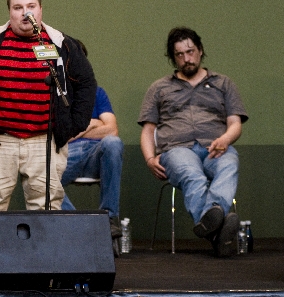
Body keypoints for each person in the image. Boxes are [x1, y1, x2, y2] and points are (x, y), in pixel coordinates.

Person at [0, 0, 97, 229]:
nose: (25, 13)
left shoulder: (61, 44)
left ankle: (45, 256)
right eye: (18, 8)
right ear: (9, 12)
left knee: (46, 208)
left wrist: (71, 127)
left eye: (31, 7)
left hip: (45, 141)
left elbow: (86, 84)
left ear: (40, 10)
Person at [138, 26, 248, 257]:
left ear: (200, 51)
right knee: (192, 174)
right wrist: (149, 159)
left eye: (190, 52)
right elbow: (148, 130)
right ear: (173, 58)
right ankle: (217, 225)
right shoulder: (159, 88)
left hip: (215, 146)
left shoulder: (223, 83)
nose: (186, 59)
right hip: (177, 149)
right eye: (179, 54)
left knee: (229, 163)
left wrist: (226, 139)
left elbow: (235, 123)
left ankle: (214, 225)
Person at [61, 42, 124, 254]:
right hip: (66, 155)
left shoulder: (97, 93)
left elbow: (112, 130)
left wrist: (78, 127)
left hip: (96, 155)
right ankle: (83, 227)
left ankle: (109, 218)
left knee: (113, 143)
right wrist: (93, 123)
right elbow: (60, 135)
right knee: (40, 178)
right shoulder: (55, 95)